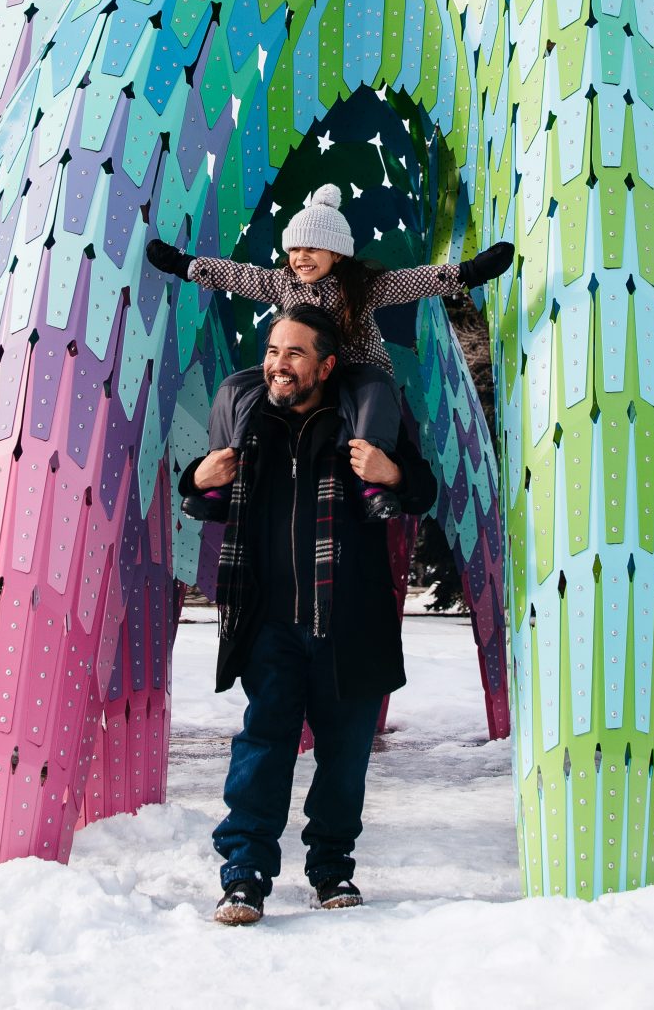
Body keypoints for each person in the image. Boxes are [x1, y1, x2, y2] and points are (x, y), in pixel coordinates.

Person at [177, 303, 440, 925]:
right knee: (262, 747)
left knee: (344, 756)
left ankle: (331, 868)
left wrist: (392, 471)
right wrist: (196, 476)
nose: (278, 364)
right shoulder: (250, 422)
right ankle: (243, 875)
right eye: (272, 351)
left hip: (349, 622)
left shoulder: (359, 419)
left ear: (326, 364)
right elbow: (208, 501)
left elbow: (422, 491)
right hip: (270, 621)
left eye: (294, 353)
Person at [147, 183, 512, 517]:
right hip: (300, 376)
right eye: (294, 249)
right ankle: (222, 477)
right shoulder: (283, 282)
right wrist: (186, 265)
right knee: (232, 388)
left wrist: (469, 272)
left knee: (375, 389)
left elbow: (411, 281)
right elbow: (237, 275)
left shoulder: (361, 287)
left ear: (337, 254)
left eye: (312, 248)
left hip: (355, 372)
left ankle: (370, 482)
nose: (301, 257)